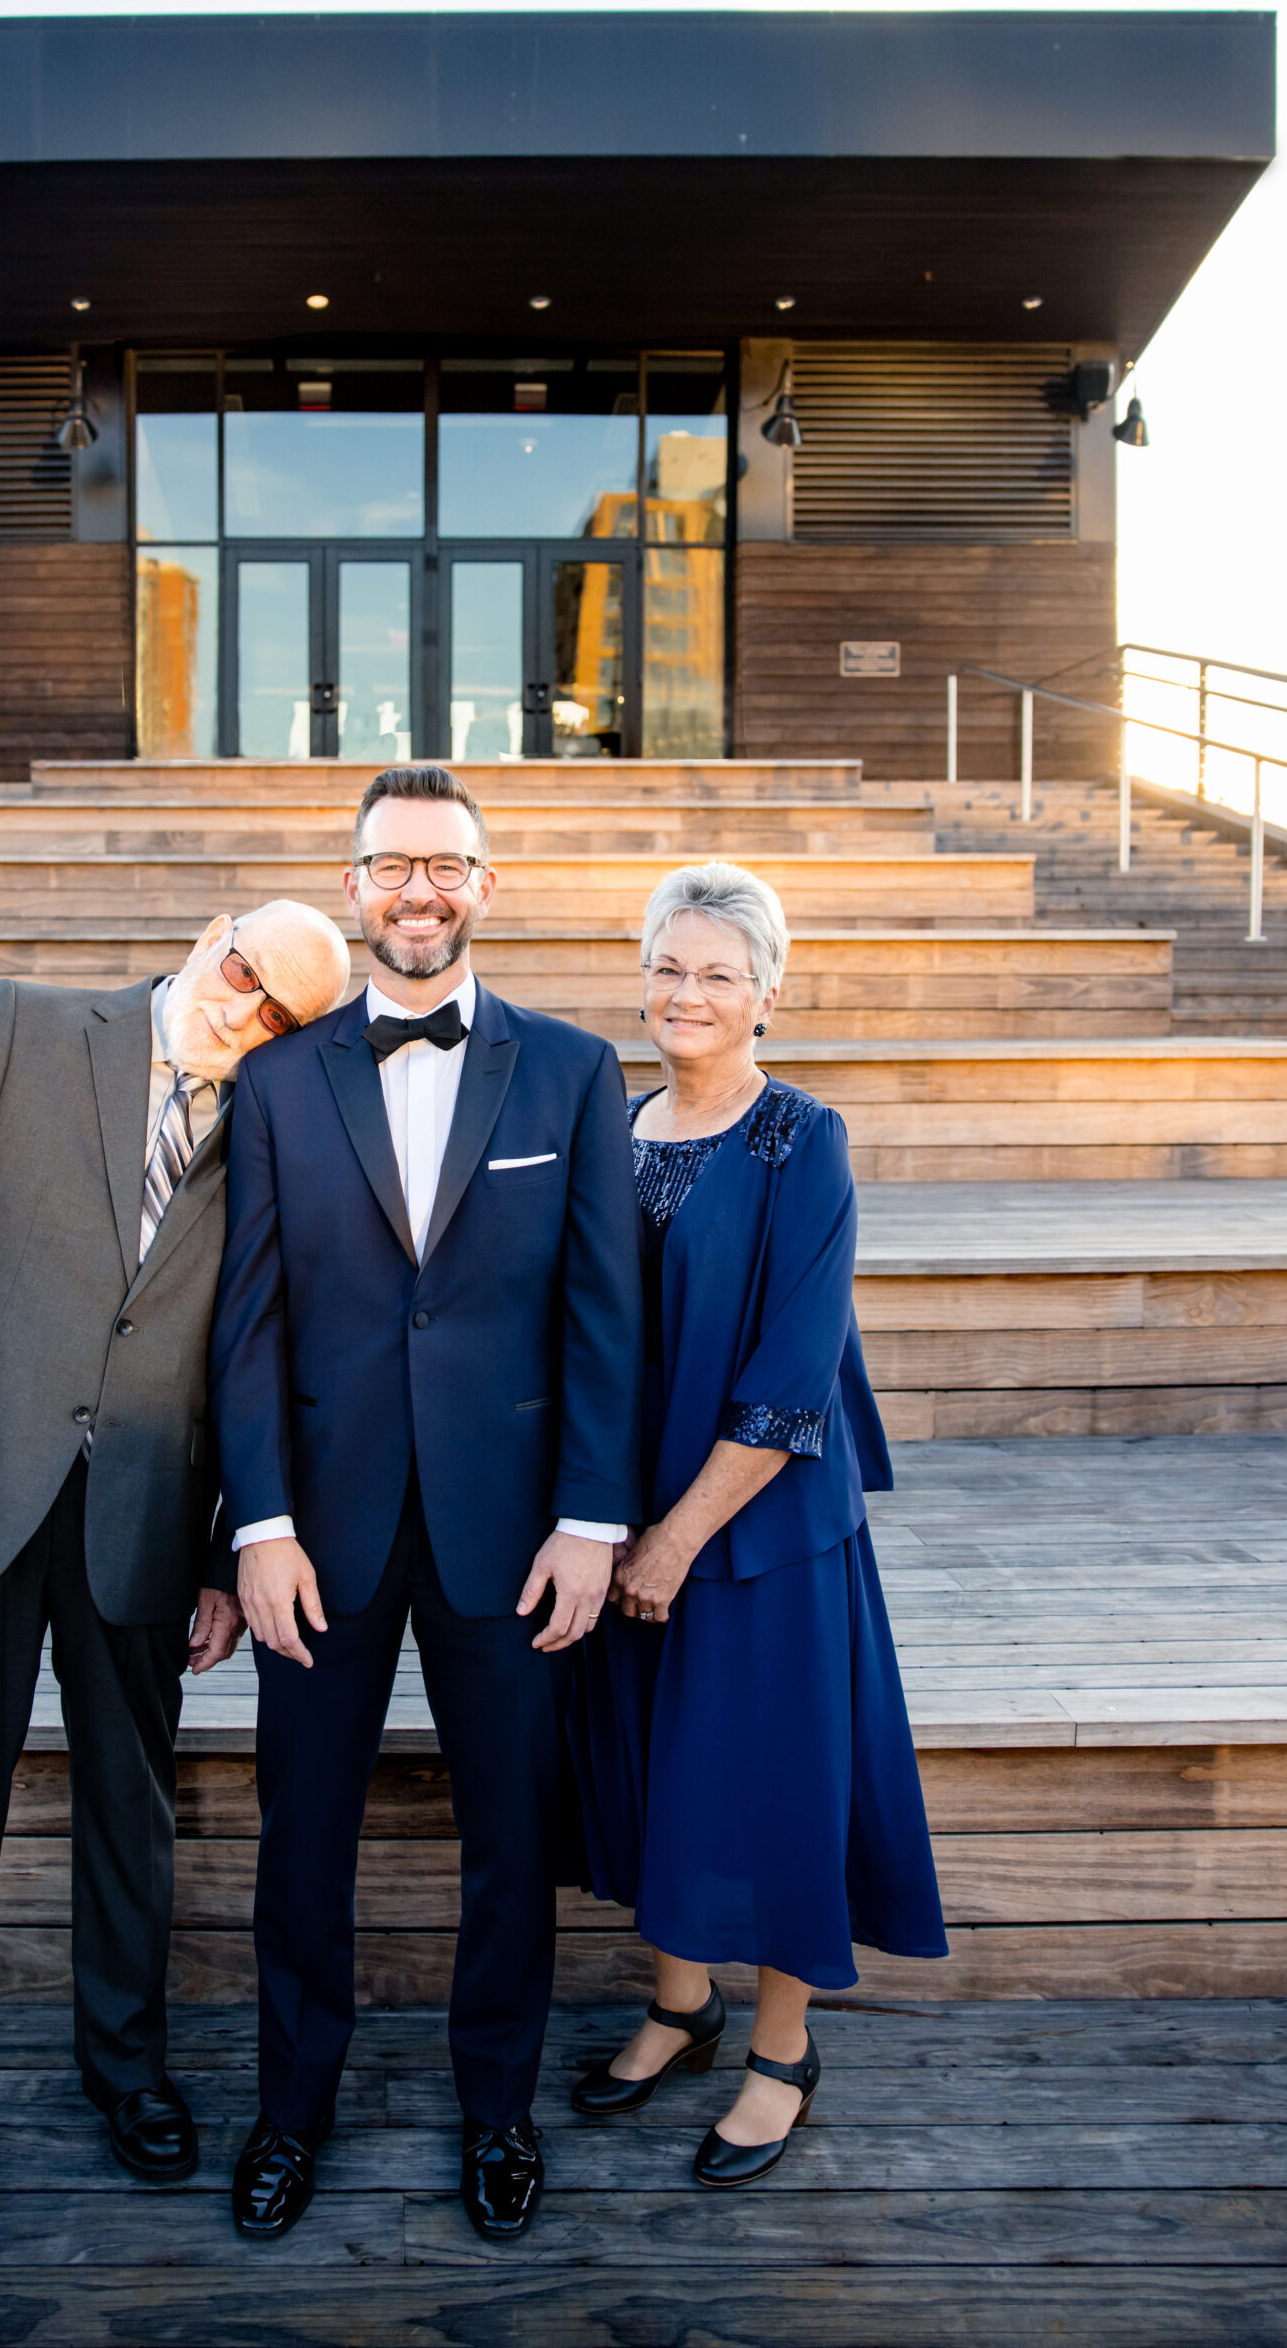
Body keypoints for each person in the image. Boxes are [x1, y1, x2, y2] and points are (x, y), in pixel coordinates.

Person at [0, 902, 352, 2267]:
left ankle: (129, 2072)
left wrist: (237, 1538)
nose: (249, 1013)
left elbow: (265, 1349)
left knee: (131, 1812)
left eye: (283, 1014)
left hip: (146, 1519)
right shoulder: (27, 1021)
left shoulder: (276, 1131)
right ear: (211, 933)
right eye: (246, 975)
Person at [210, 765, 644, 2245]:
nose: (419, 890)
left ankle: (499, 2112)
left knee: (513, 1838)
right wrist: (255, 1526)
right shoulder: (274, 1083)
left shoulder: (577, 1073)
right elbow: (248, 1325)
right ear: (354, 885)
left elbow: (604, 1317)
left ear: (487, 885)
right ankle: (291, 2110)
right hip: (318, 1537)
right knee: (300, 1837)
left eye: (447, 865)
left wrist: (594, 1519)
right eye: (392, 865)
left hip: (512, 1533)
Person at [568, 861, 946, 2188]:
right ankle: (681, 2002)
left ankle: (781, 2050)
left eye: (717, 972)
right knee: (652, 1763)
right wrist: (599, 1523)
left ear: (766, 993)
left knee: (779, 1782)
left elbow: (795, 1378)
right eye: (668, 967)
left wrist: (674, 1538)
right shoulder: (607, 1128)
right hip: (621, 1517)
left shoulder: (802, 1139)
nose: (687, 993)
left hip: (762, 1526)